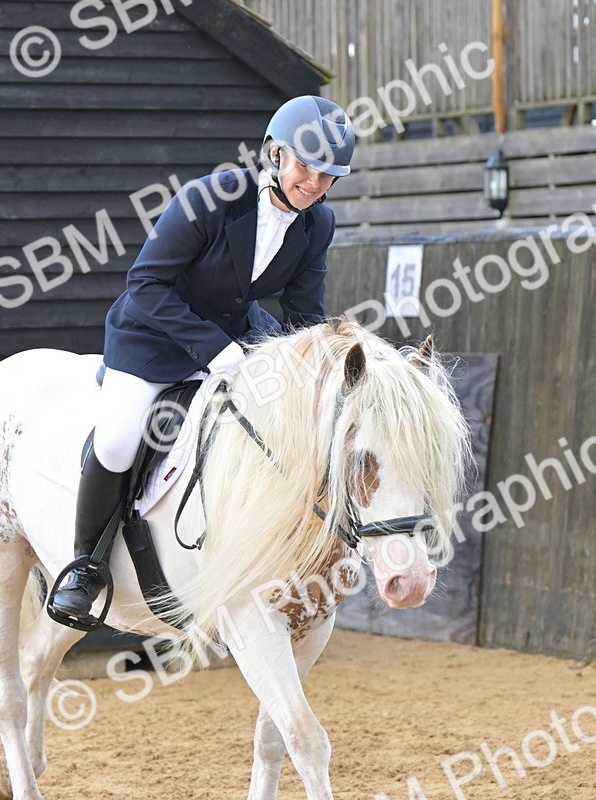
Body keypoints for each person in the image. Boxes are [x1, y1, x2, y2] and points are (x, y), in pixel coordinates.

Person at [47, 95, 357, 627]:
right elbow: (145, 286)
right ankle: (85, 568)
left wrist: (321, 365)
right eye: (306, 166)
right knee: (120, 439)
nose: (315, 183)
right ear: (276, 155)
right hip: (151, 339)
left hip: (238, 341)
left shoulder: (317, 225)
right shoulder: (211, 198)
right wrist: (215, 350)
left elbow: (305, 313)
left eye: (328, 175)